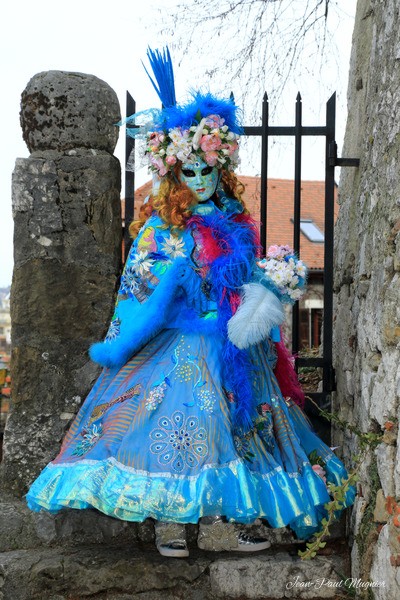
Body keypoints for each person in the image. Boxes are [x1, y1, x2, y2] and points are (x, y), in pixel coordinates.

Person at [26, 48, 355, 557]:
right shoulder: (161, 227)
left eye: (207, 173)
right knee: (181, 424)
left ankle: (250, 519)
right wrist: (174, 283)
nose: (200, 182)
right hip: (176, 341)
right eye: (190, 174)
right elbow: (138, 282)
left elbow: (244, 281)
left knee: (248, 424)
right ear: (176, 176)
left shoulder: (239, 226)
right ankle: (173, 524)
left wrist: (267, 291)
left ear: (219, 170)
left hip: (236, 342)